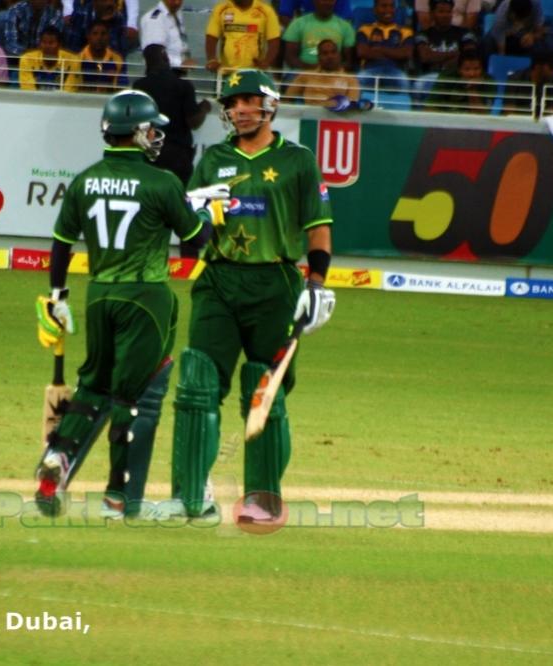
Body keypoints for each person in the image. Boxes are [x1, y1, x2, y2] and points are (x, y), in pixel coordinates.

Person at [33, 89, 215, 519]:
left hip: (99, 294)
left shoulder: (85, 179)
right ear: (133, 132)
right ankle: (117, 495)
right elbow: (197, 241)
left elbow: (60, 243)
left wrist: (58, 295)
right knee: (128, 399)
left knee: (92, 386)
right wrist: (205, 211)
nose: (156, 137)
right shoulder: (164, 182)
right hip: (145, 298)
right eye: (151, 129)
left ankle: (58, 456)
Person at [166, 69, 336, 524]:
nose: (239, 109)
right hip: (219, 281)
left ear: (269, 105)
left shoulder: (298, 160)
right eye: (233, 102)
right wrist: (197, 212)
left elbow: (318, 228)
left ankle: (263, 499)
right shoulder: (214, 157)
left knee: (265, 390)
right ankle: (190, 496)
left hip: (275, 284)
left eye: (247, 101)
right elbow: (193, 229)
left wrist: (316, 285)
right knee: (198, 382)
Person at [132, 43, 211, 257]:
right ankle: (188, 261)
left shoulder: (138, 86)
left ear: (146, 62)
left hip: (148, 155)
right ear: (166, 59)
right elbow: (194, 121)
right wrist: (205, 106)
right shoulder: (183, 86)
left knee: (147, 208)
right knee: (185, 209)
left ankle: (145, 256)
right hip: (178, 156)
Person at [204, 0, 281, 73]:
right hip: (226, 71)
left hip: (255, 72)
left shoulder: (266, 11)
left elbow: (274, 40)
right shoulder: (221, 9)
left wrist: (266, 62)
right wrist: (212, 59)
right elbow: (211, 36)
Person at [282, 0, 356, 72]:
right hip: (302, 72)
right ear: (314, 1)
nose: (326, 3)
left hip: (335, 74)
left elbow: (349, 62)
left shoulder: (345, 27)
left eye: (330, 0)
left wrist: (329, 71)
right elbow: (290, 58)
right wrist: (316, 69)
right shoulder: (297, 24)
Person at [285, 38, 361, 104]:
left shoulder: (351, 80)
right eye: (325, 53)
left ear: (339, 55)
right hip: (308, 116)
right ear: (319, 57)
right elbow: (287, 99)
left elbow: (352, 105)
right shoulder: (305, 76)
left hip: (337, 118)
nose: (330, 56)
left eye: (333, 52)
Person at [356, 0, 415, 83]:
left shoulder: (405, 31)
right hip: (370, 70)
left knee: (404, 82)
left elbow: (406, 54)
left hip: (396, 72)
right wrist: (394, 53)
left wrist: (380, 50)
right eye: (384, 6)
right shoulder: (365, 29)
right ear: (375, 9)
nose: (388, 10)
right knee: (358, 81)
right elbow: (362, 52)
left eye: (391, 6)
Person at [415, 0, 478, 75]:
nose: (445, 15)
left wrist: (437, 59)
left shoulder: (465, 33)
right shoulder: (423, 35)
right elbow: (425, 57)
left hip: (455, 77)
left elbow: (469, 55)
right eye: (441, 12)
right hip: (429, 77)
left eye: (449, 12)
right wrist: (455, 54)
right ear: (432, 14)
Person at [425, 49, 494, 112]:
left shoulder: (489, 82)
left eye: (476, 69)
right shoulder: (447, 78)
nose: (472, 74)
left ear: (482, 70)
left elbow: (483, 118)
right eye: (467, 69)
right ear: (459, 70)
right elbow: (429, 108)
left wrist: (472, 90)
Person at [18, 24, 82, 90]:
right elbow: (28, 91)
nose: (47, 46)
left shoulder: (73, 61)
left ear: (59, 45)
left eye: (51, 43)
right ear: (40, 44)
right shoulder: (27, 59)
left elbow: (69, 92)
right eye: (44, 42)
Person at [504, 45, 553, 116]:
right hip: (518, 123)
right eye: (552, 67)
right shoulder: (515, 79)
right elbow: (509, 111)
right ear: (538, 67)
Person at [139, 0, 193, 68]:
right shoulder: (155, 20)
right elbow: (154, 55)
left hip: (177, 72)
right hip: (162, 73)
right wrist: (180, 63)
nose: (177, 2)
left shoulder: (177, 14)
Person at [415, 0, 480, 31]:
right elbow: (424, 19)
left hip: (459, 32)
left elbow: (471, 18)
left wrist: (460, 36)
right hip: (432, 32)